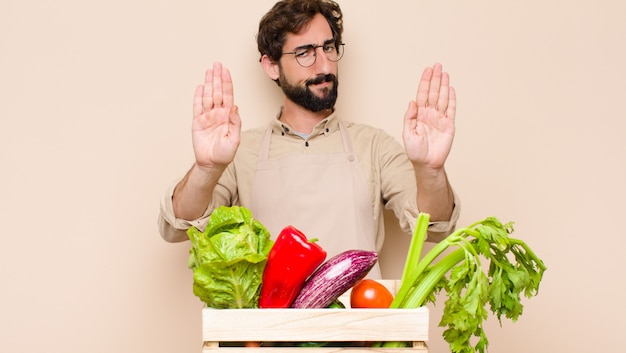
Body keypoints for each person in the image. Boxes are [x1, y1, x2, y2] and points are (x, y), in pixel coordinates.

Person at [158, 0, 460, 278]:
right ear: (271, 66)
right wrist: (207, 168)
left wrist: (430, 171)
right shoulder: (238, 150)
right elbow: (177, 227)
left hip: (358, 332)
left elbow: (435, 226)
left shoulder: (374, 145)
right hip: (268, 335)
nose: (324, 65)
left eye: (329, 48)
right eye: (305, 53)